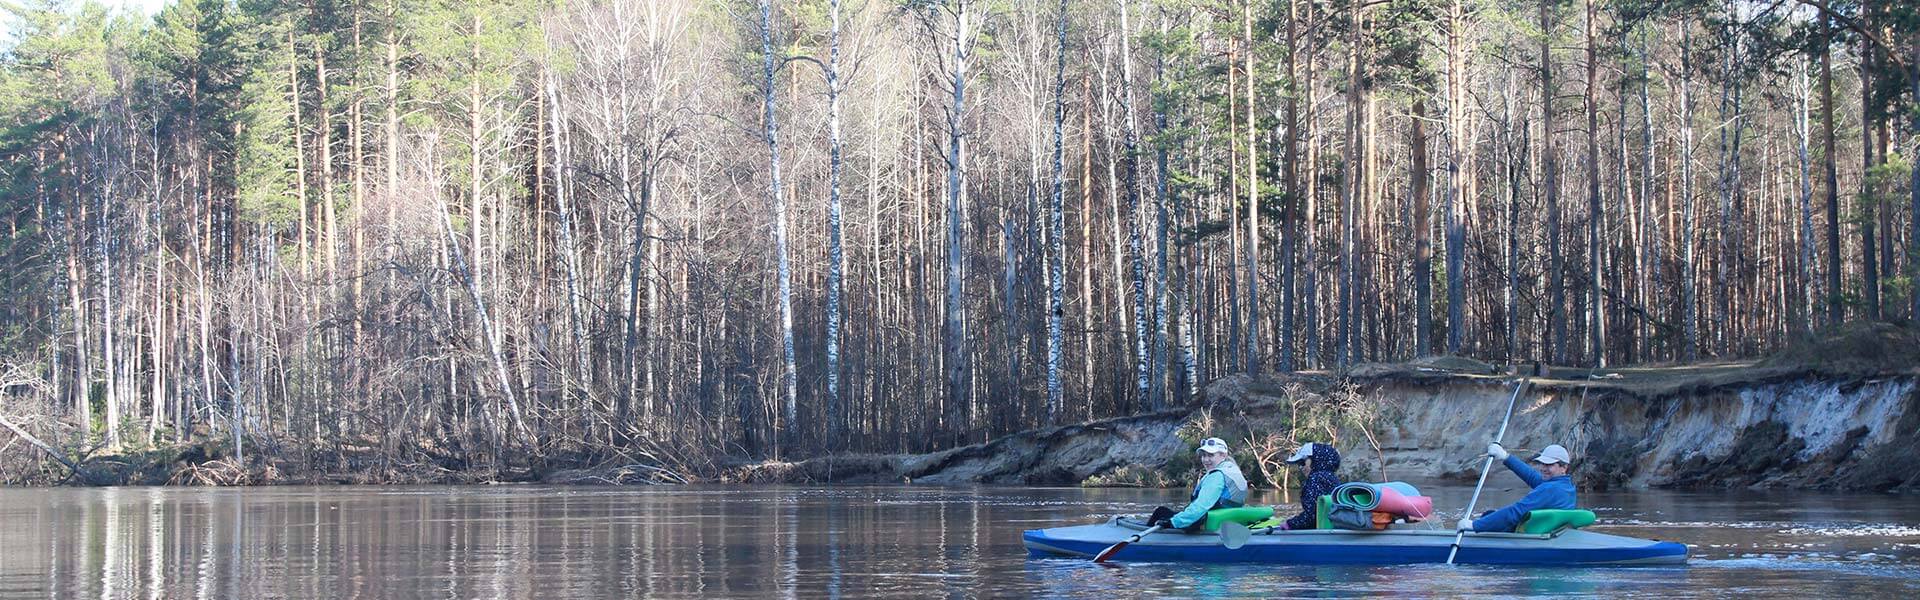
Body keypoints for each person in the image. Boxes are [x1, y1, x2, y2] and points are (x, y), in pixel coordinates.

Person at [1456, 443, 1577, 533]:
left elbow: (1515, 512)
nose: (1543, 468)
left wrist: (1475, 525)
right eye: (1543, 463)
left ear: (1564, 467)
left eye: (1549, 465)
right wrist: (1505, 457)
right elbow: (1531, 476)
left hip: (1536, 536)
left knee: (1488, 517)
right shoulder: (1566, 486)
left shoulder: (1549, 489)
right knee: (1490, 515)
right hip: (1551, 532)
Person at [1146, 437, 1249, 532]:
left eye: (1211, 455)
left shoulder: (1217, 476)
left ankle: (1145, 539)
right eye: (1203, 455)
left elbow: (1200, 507)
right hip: (1225, 522)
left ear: (1223, 455)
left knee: (1161, 512)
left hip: (1203, 523)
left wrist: (1172, 522)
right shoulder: (1233, 471)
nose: (1205, 460)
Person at [1274, 442, 1342, 530]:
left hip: (1320, 534)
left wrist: (1289, 524)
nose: (1301, 468)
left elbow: (1312, 515)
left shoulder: (1314, 479)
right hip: (1332, 529)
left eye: (1302, 463)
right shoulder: (1333, 478)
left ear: (1315, 460)